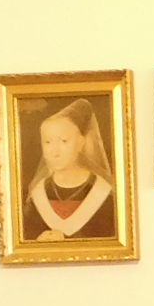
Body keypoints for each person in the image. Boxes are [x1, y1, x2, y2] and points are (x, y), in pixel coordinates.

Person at [26, 98, 117, 241]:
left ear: (80, 143)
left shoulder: (103, 194)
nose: (55, 152)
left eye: (64, 141)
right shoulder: (38, 194)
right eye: (47, 142)